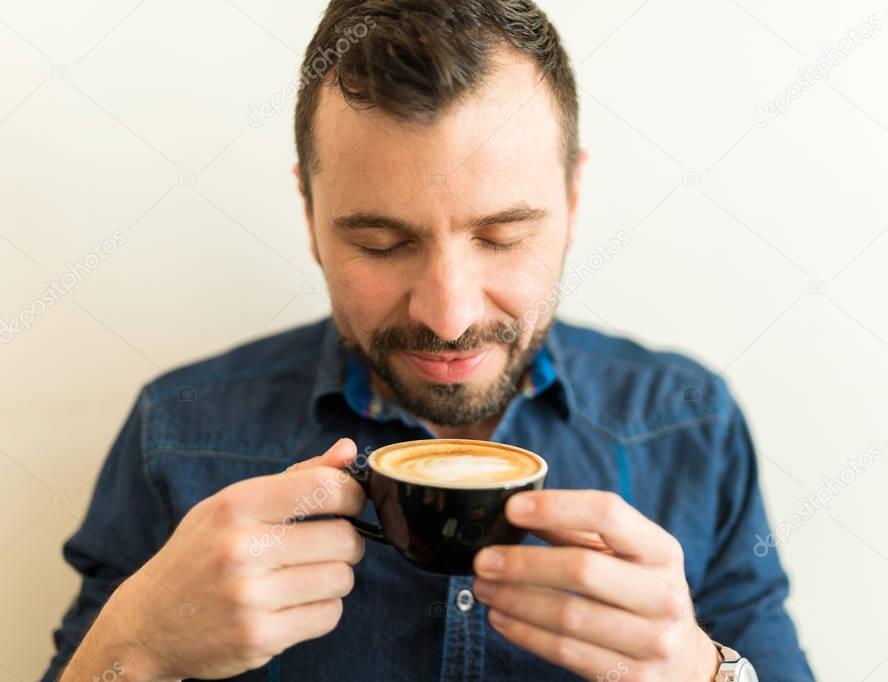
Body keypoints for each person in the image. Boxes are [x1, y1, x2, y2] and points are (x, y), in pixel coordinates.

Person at [44, 1, 814, 680]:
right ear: (309, 213)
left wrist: (698, 673)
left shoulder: (688, 422)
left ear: (573, 201)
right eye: (380, 244)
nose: (447, 317)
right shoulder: (177, 431)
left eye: (503, 236)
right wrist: (136, 650)